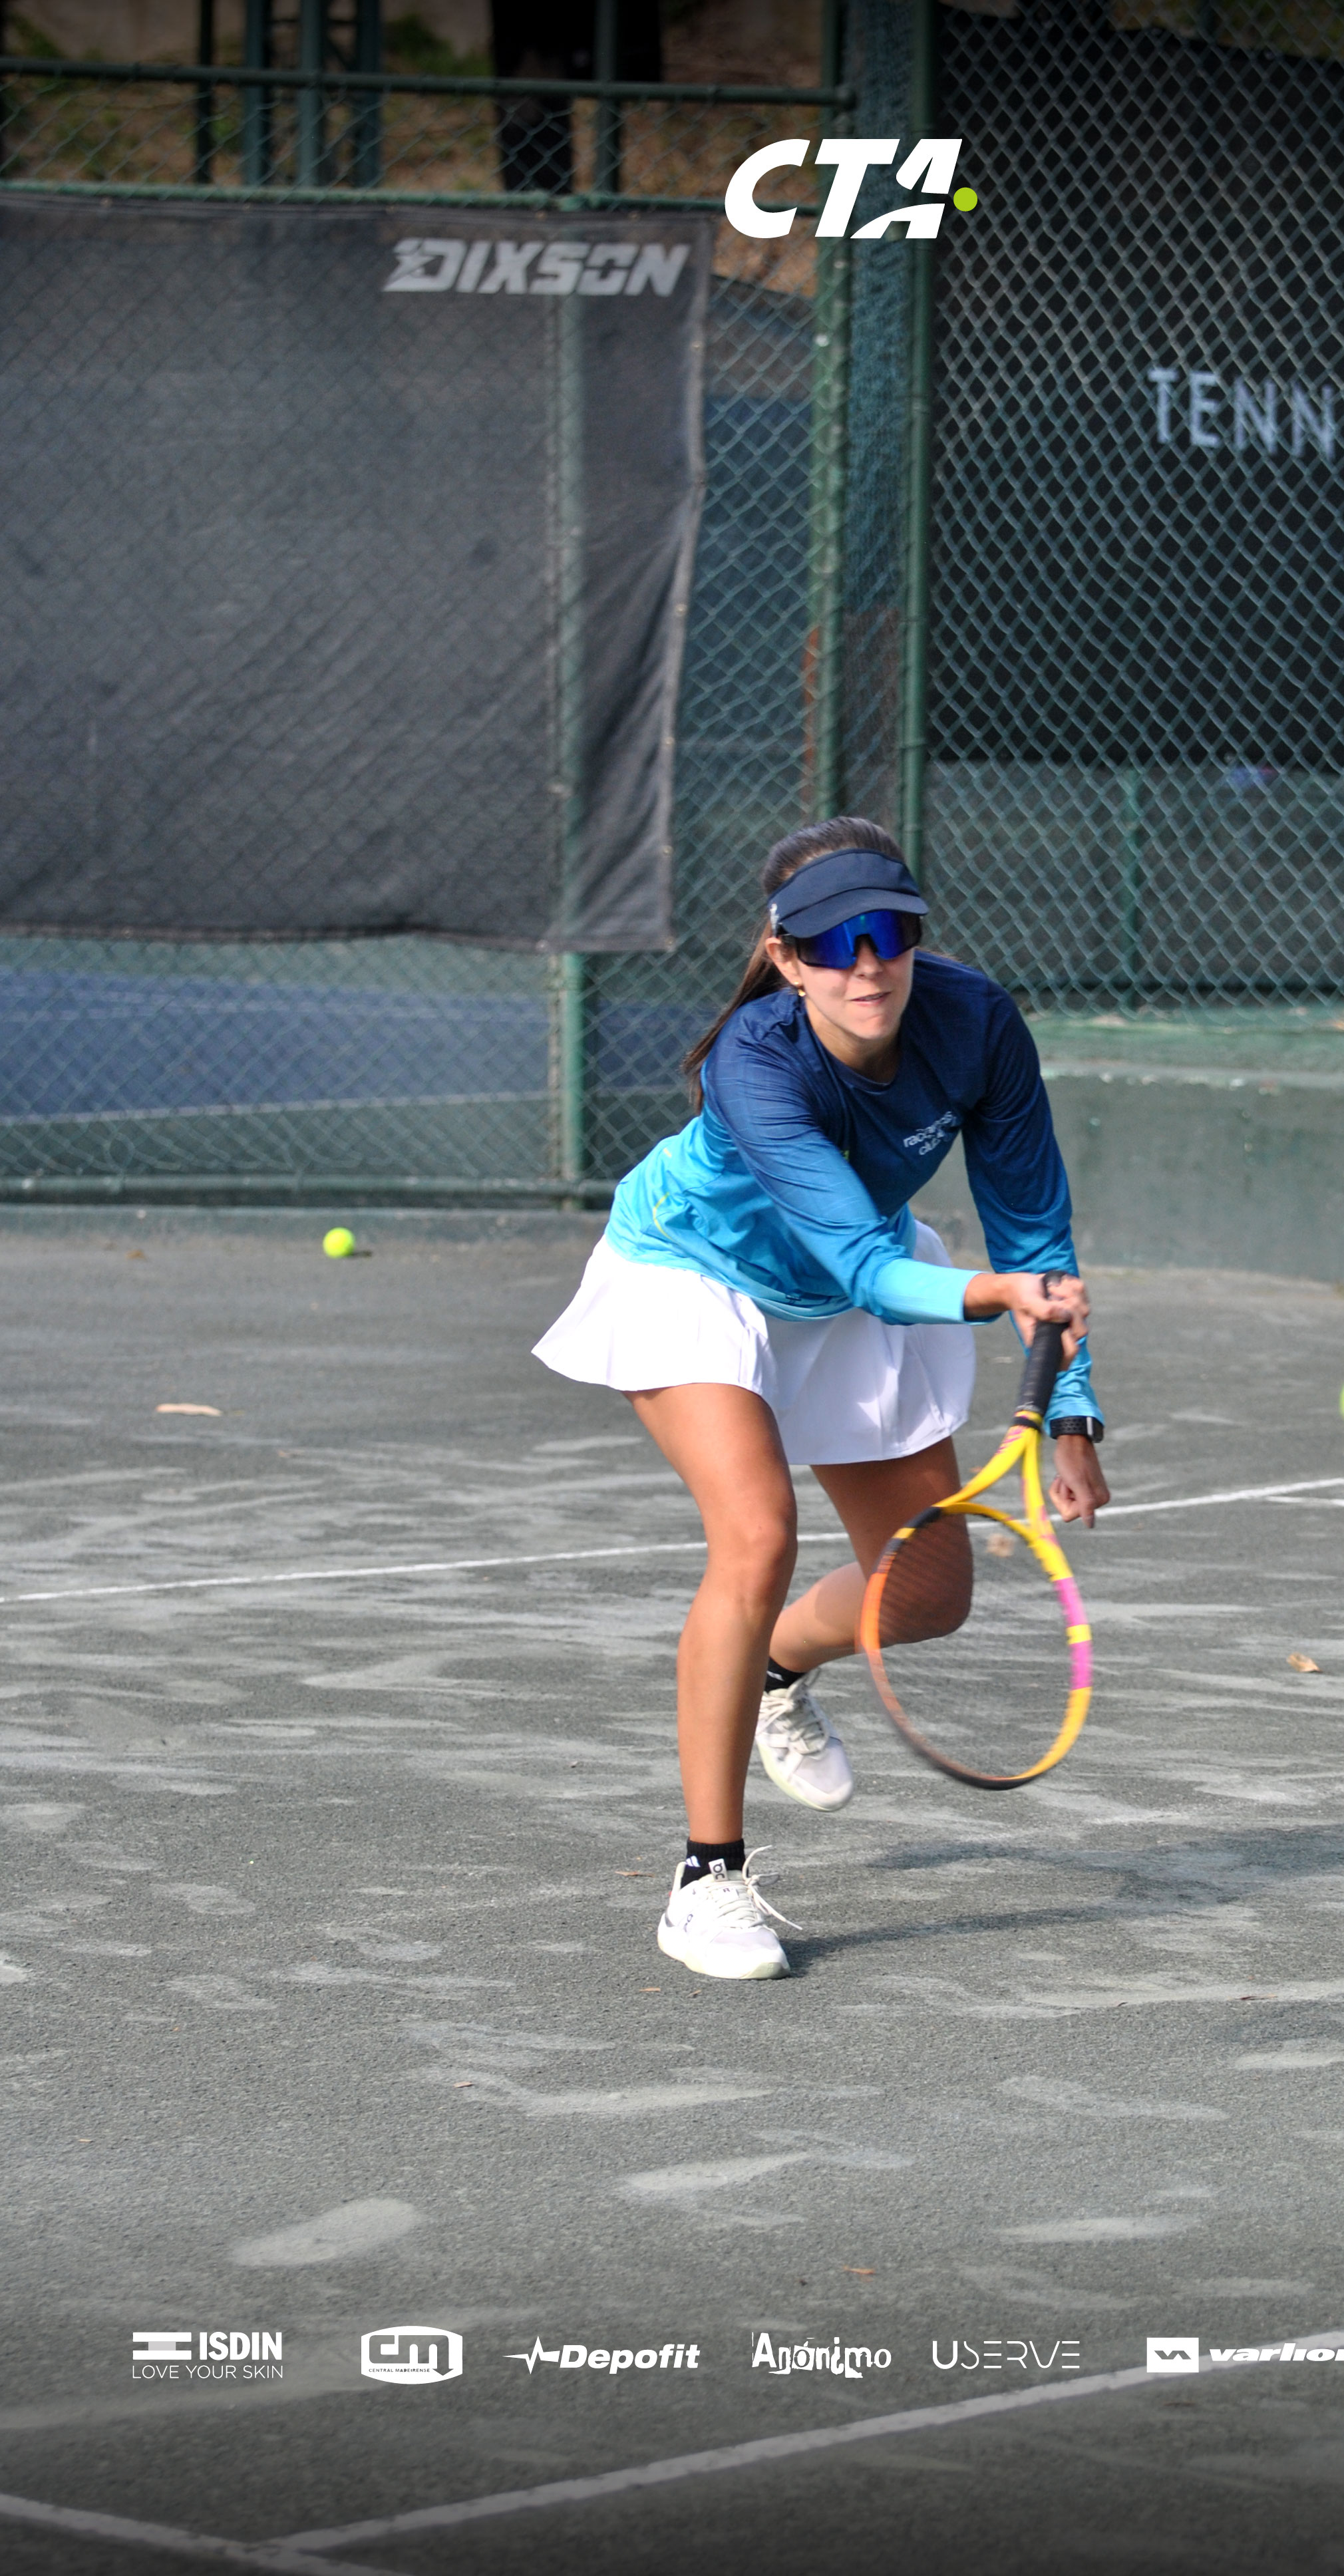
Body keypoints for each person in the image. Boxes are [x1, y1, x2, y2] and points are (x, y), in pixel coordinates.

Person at [532, 817, 1108, 1981]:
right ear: (787, 959)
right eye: (831, 942)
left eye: (888, 932)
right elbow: (859, 1258)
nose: (866, 963)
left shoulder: (976, 1021)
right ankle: (709, 1879)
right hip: (696, 1272)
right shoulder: (755, 1058)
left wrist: (1071, 1409)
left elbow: (1034, 1222)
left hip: (855, 1289)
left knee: (931, 1594)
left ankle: (776, 1676)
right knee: (756, 1535)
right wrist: (988, 1294)